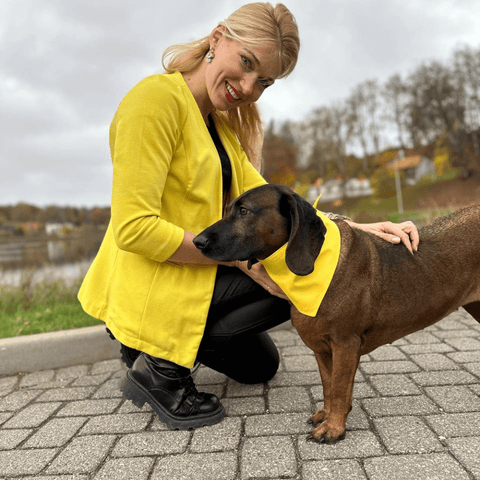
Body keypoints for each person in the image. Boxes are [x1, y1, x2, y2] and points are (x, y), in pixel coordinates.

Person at [78, 2, 419, 431]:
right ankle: (159, 368)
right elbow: (134, 229)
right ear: (217, 39)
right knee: (302, 273)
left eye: (264, 81)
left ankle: (145, 345)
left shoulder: (218, 127)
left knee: (262, 366)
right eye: (245, 63)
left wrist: (360, 228)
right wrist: (240, 260)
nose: (247, 86)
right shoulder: (154, 101)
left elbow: (281, 210)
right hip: (151, 277)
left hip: (192, 267)